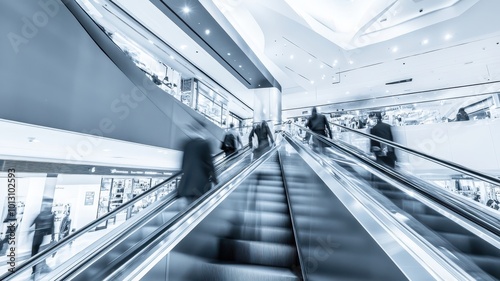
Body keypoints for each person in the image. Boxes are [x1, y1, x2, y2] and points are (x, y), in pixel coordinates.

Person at [177, 121, 219, 203]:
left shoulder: (187, 144)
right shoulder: (204, 144)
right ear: (201, 131)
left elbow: (183, 166)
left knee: (190, 207)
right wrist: (215, 179)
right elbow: (209, 164)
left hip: (186, 185)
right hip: (200, 185)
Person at [30, 201, 55, 274]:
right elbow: (52, 227)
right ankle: (36, 269)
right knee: (38, 252)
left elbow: (32, 224)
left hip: (38, 236)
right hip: (41, 237)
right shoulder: (49, 215)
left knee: (35, 252)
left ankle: (35, 269)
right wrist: (52, 236)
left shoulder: (42, 215)